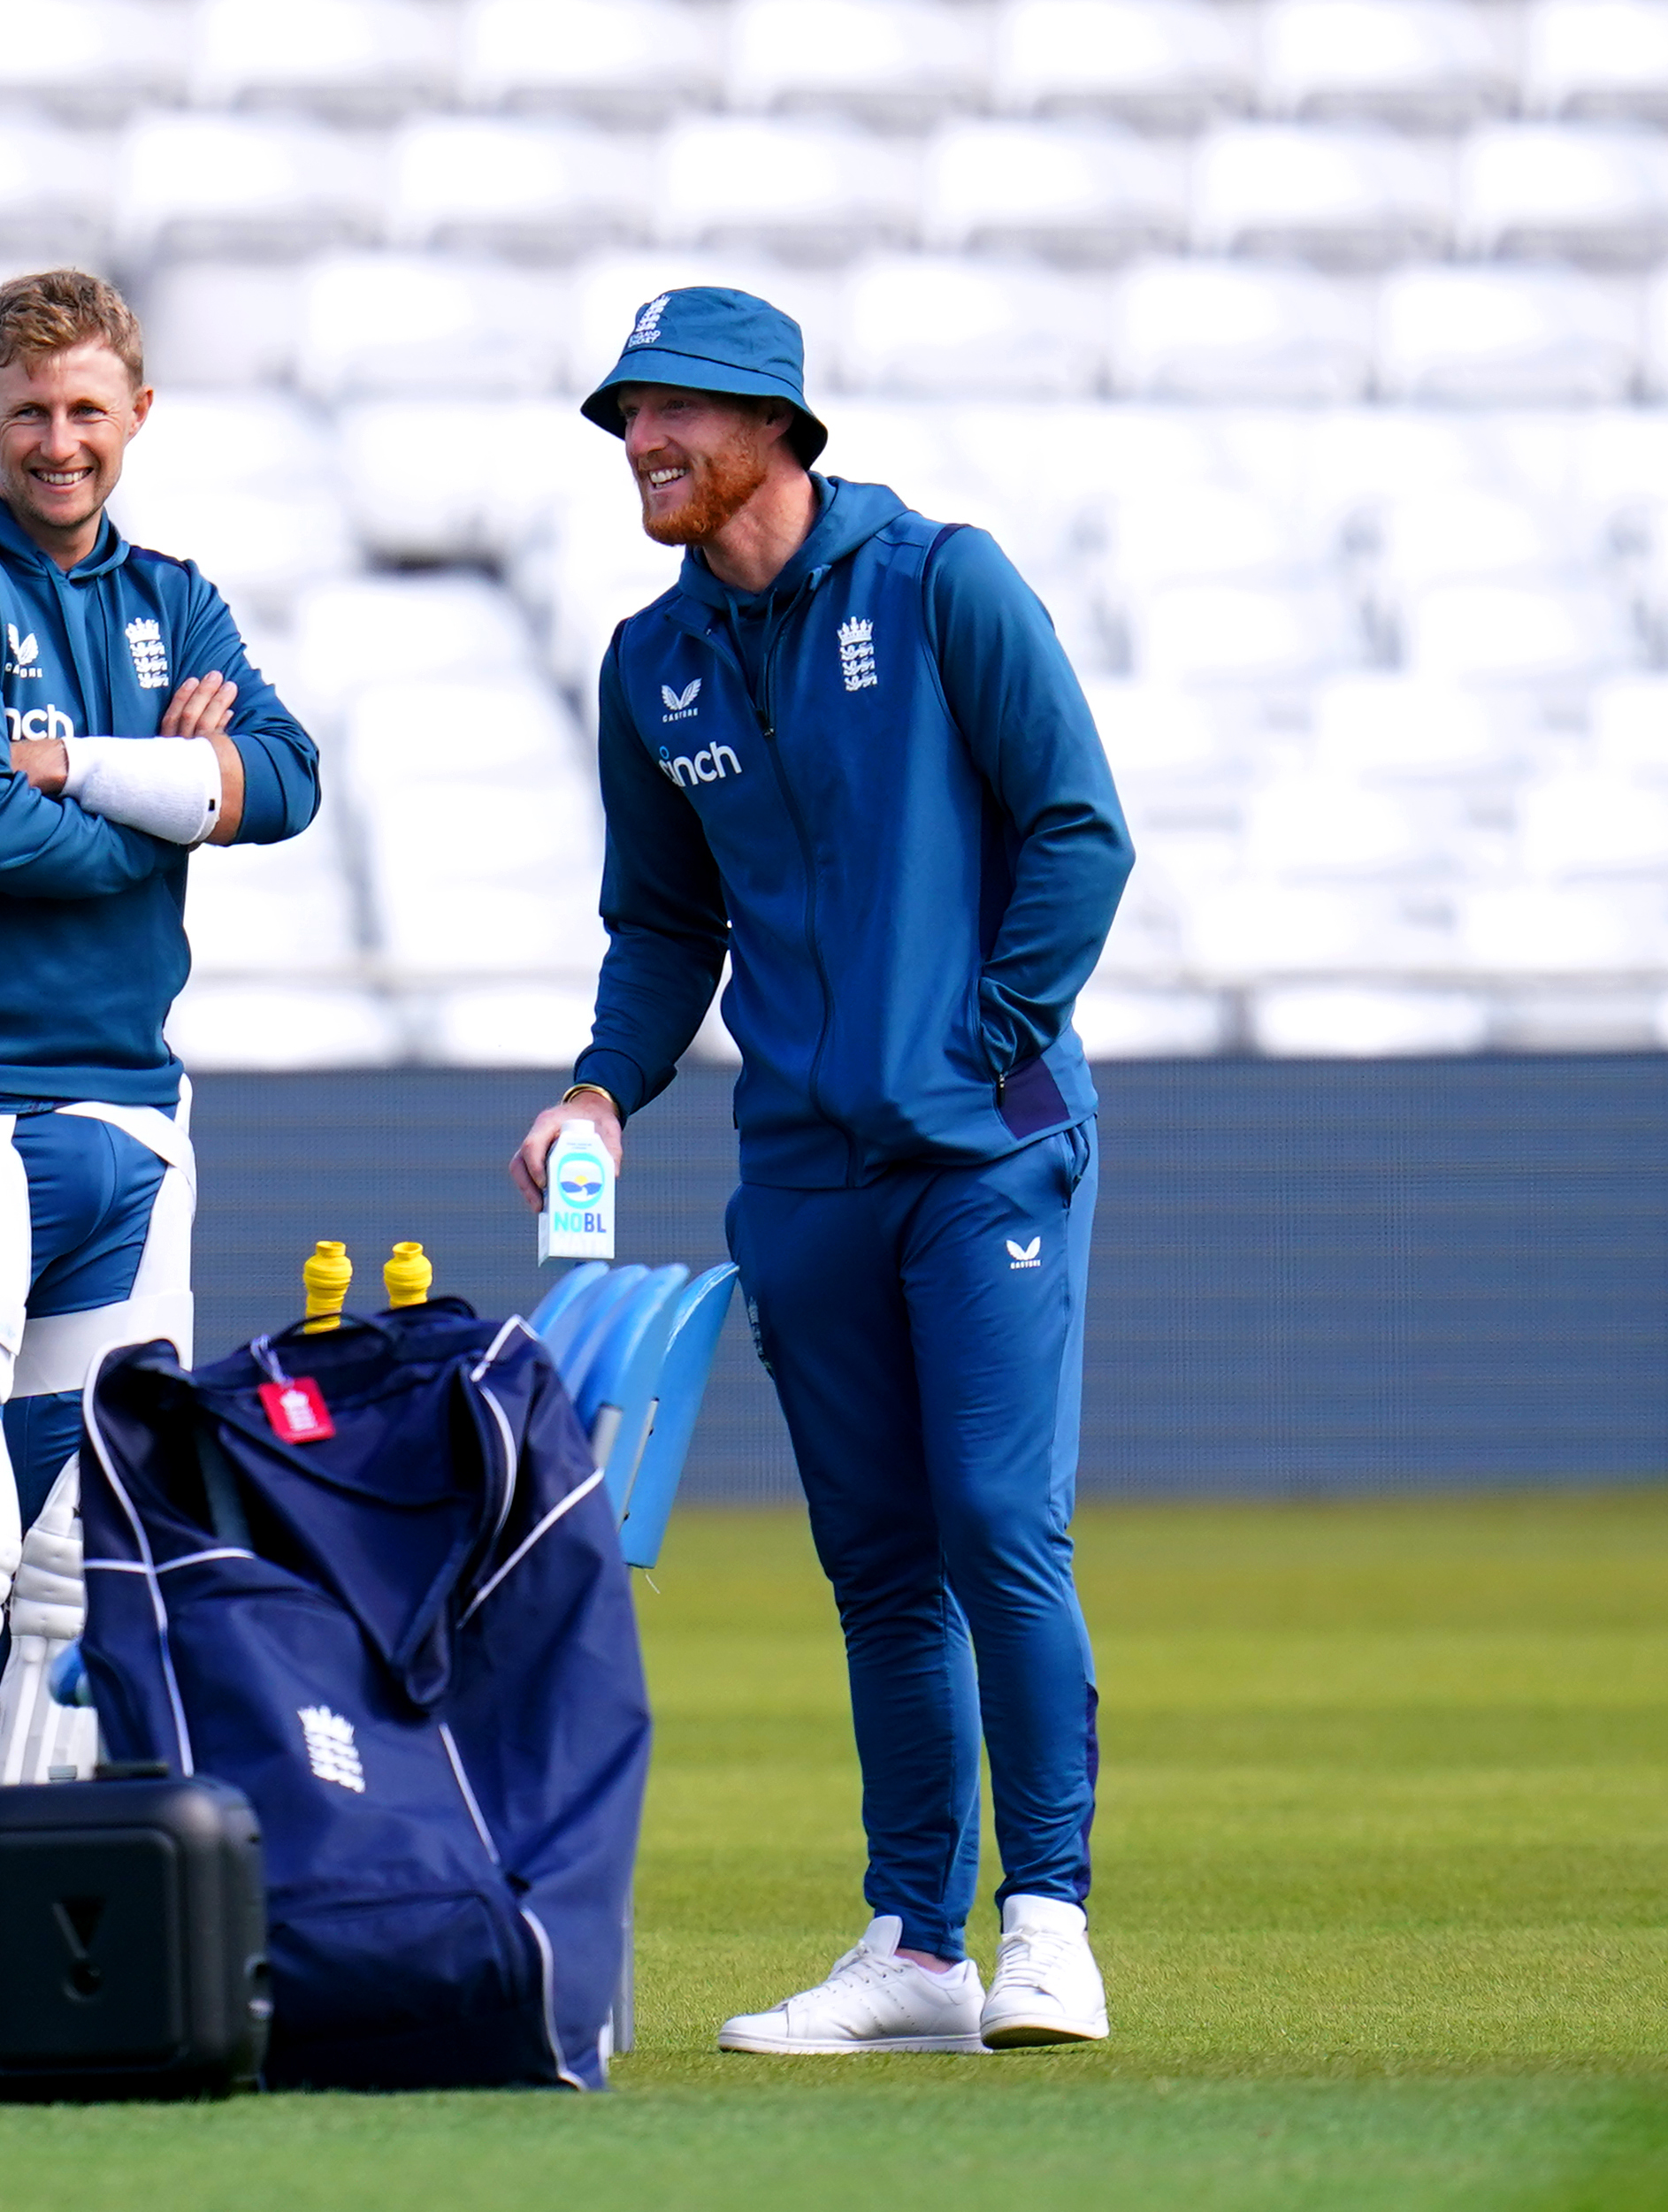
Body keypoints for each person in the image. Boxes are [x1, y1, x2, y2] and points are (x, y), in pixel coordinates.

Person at [509, 288, 1133, 2055]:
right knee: (871, 1559)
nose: (639, 443)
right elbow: (661, 922)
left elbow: (1078, 830)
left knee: (995, 1525)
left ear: (774, 421)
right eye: (624, 416)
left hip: (979, 1158)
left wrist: (982, 1040)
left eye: (672, 414)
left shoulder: (942, 584)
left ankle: (1047, 1924)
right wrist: (602, 1092)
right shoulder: (651, 662)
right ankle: (917, 1949)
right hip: (796, 1178)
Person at [0, 269, 320, 2065]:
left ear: (136, 415)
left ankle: (13, 1943)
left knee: (64, 1552)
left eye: (88, 410)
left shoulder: (173, 597)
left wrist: (75, 774)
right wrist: (157, 815)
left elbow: (291, 774)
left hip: (128, 1116)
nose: (57, 441)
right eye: (29, 411)